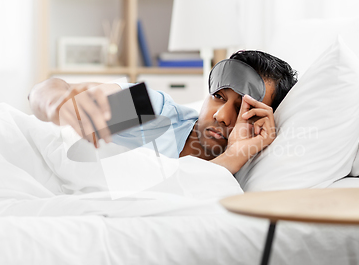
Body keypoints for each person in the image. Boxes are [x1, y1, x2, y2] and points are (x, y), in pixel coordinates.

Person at [28, 50, 297, 174]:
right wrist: (59, 103)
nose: (221, 116)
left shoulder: (254, 163)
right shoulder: (153, 111)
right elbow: (45, 90)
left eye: (241, 109)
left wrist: (236, 155)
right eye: (218, 96)